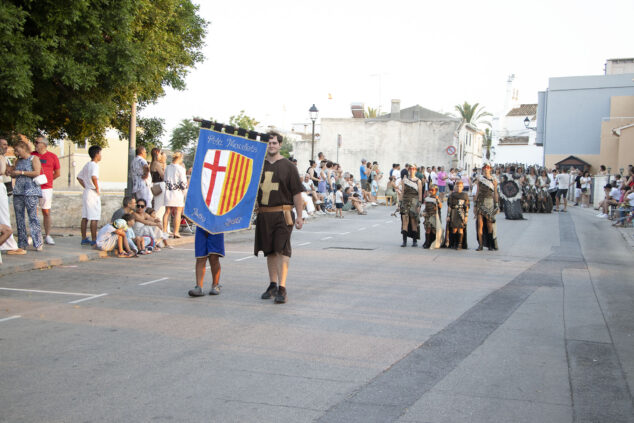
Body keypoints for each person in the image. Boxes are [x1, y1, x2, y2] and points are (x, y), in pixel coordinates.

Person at [255, 131, 304, 304]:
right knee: (269, 251)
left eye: (274, 143)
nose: (271, 145)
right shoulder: (258, 165)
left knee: (281, 250)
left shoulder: (289, 166)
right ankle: (272, 284)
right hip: (264, 215)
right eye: (269, 143)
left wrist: (299, 215)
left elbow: (297, 193)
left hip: (283, 214)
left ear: (280, 145)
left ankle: (282, 288)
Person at [10, 140, 43, 251]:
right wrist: (13, 172)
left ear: (23, 148)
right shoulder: (17, 161)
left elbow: (37, 172)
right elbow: (13, 172)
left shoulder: (34, 158)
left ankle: (38, 242)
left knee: (33, 217)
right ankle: (22, 242)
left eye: (17, 150)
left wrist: (21, 173)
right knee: (19, 218)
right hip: (18, 191)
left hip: (31, 191)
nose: (16, 152)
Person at [31, 136, 60, 245]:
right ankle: (35, 235)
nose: (35, 144)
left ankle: (47, 235)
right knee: (33, 212)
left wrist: (46, 180)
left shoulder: (52, 157)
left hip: (46, 188)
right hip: (33, 187)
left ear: (44, 144)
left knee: (46, 212)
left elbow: (57, 173)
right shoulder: (32, 155)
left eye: (37, 142)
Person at [0, 138, 25, 255]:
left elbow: (8, 172)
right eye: (3, 145)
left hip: (5, 188)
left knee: (5, 215)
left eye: (6, 144)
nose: (6, 147)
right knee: (4, 215)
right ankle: (9, 244)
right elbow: (3, 171)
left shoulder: (5, 158)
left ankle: (7, 242)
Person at [187, 226, 224, 297]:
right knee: (200, 257)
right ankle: (199, 287)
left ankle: (215, 285)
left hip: (216, 226)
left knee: (214, 256)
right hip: (201, 225)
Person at [77, 146, 102, 245]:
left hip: (87, 191)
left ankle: (83, 238)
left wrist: (86, 186)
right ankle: (94, 239)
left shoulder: (87, 164)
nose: (101, 156)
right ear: (96, 154)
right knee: (94, 217)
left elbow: (79, 177)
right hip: (92, 193)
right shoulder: (95, 165)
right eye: (100, 153)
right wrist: (96, 188)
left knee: (85, 216)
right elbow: (94, 177)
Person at [474, 163, 499, 251]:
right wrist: (474, 205)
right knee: (480, 224)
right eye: (484, 168)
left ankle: (490, 245)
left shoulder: (493, 180)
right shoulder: (479, 179)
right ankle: (480, 245)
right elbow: (477, 192)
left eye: (487, 168)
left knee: (489, 224)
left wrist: (497, 205)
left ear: (490, 169)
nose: (485, 169)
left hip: (489, 203)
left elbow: (495, 193)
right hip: (480, 202)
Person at [163, 152, 188, 237]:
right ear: (180, 158)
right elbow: (183, 183)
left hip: (168, 191)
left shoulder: (167, 168)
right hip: (177, 192)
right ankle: (176, 232)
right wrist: (185, 194)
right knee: (178, 211)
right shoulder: (181, 169)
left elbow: (165, 179)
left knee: (167, 212)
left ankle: (164, 231)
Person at [399, 164, 422, 247]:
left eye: (413, 169)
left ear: (415, 170)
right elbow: (402, 192)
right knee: (405, 221)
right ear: (408, 170)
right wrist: (400, 203)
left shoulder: (418, 181)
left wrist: (419, 205)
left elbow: (420, 194)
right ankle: (404, 241)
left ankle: (414, 240)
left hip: (414, 202)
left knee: (413, 221)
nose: (412, 170)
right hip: (405, 201)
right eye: (410, 169)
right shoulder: (405, 180)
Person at [444, 180, 469, 249]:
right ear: (455, 187)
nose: (458, 188)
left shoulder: (465, 195)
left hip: (461, 213)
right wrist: (448, 216)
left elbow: (466, 207)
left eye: (460, 186)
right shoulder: (452, 195)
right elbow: (449, 206)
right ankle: (454, 243)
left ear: (463, 187)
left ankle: (459, 244)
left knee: (460, 229)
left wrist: (466, 216)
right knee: (454, 229)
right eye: (457, 186)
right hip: (454, 213)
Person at [422, 185, 442, 249]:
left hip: (434, 216)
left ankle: (432, 242)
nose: (430, 191)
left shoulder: (437, 198)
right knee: (427, 229)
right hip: (428, 215)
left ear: (436, 191)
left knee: (434, 230)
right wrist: (423, 212)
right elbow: (426, 207)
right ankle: (427, 243)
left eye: (432, 190)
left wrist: (437, 200)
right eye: (429, 190)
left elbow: (440, 206)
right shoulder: (427, 198)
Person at [150, 148, 167, 224]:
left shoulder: (152, 163)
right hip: (160, 185)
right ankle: (158, 223)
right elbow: (163, 176)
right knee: (160, 207)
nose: (161, 156)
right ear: (157, 153)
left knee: (159, 205)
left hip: (155, 185)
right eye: (160, 154)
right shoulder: (156, 164)